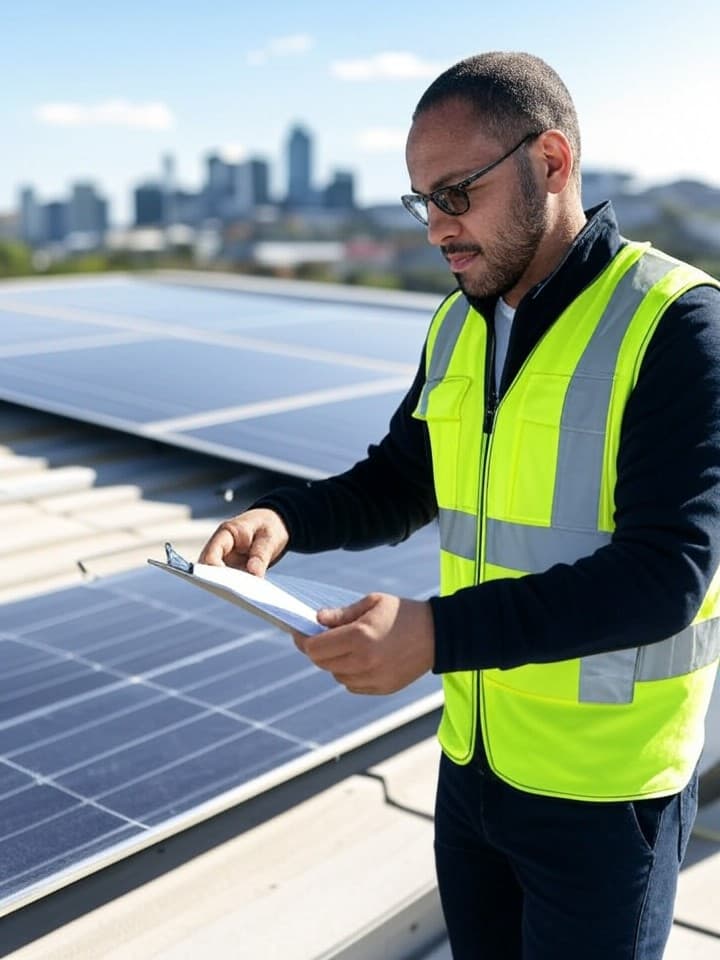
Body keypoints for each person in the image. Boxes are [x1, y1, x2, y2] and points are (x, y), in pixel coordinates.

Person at [199, 51, 720, 960]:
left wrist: (433, 635)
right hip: (474, 772)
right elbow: (404, 479)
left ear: (550, 162)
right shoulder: (459, 320)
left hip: (606, 803)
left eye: (456, 194)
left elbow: (664, 576)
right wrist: (284, 519)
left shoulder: (677, 325)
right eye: (422, 202)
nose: (437, 228)